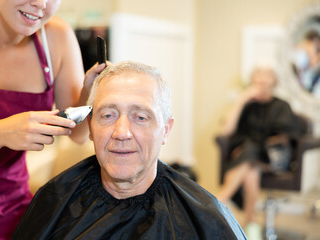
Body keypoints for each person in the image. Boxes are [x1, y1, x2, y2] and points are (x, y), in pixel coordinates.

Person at [12, 61, 247, 239]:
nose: (121, 132)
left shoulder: (206, 219)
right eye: (107, 115)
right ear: (91, 127)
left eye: (141, 117)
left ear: (166, 129)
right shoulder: (54, 201)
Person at [0, 1, 106, 239]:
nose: (40, 3)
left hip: (16, 212)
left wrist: (88, 93)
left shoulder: (57, 38)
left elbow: (78, 136)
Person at [217, 66, 303, 240]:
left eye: (267, 76)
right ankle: (251, 223)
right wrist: (241, 101)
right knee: (251, 169)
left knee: (250, 152)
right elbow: (226, 130)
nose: (262, 80)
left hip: (274, 158)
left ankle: (217, 203)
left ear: (274, 81)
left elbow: (286, 137)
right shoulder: (248, 106)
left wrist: (258, 146)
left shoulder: (281, 106)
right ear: (252, 81)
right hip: (251, 160)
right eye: (258, 76)